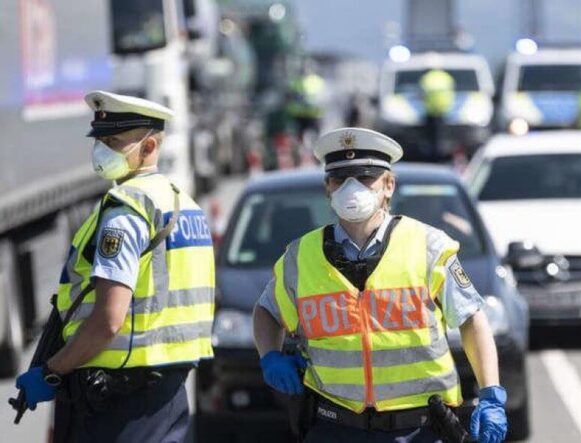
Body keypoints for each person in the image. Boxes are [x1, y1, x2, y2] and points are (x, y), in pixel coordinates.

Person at [253, 127, 508, 443]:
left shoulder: (429, 247)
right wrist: (269, 356)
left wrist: (490, 393)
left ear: (389, 186)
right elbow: (266, 312)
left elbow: (472, 319)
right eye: (339, 179)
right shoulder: (300, 256)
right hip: (335, 426)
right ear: (327, 189)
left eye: (364, 178)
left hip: (418, 429)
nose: (351, 188)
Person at [15, 91, 216, 442]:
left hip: (118, 403)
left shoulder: (126, 214)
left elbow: (108, 320)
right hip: (169, 394)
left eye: (114, 142)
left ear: (150, 146)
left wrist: (51, 371)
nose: (102, 151)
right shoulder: (186, 207)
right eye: (100, 141)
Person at [420, 69, 456, 159]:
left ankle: (434, 154)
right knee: (441, 135)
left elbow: (422, 93)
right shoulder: (446, 77)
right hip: (444, 110)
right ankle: (440, 153)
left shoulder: (427, 78)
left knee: (431, 136)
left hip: (431, 110)